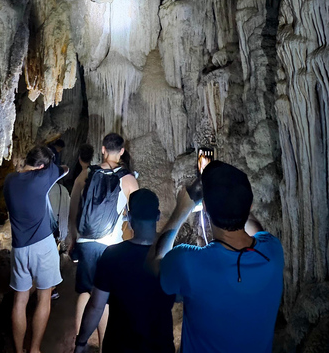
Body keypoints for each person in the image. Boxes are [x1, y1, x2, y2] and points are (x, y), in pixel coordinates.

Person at [147, 160, 284, 353]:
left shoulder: (188, 263)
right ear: (250, 206)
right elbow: (255, 230)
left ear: (205, 208)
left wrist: (182, 207)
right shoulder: (273, 253)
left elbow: (153, 262)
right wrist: (236, 197)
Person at [74, 189, 174, 353]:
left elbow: (96, 306)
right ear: (157, 216)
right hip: (159, 345)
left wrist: (81, 342)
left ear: (129, 216)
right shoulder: (170, 256)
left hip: (119, 345)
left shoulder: (113, 255)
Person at [68, 133, 139, 351]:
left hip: (86, 240)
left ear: (102, 149)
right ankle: (103, 347)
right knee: (105, 296)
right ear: (122, 151)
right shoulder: (127, 179)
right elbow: (136, 214)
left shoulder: (87, 173)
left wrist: (73, 236)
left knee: (84, 291)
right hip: (112, 244)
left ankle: (79, 342)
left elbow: (73, 207)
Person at [3, 146, 69, 353]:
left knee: (20, 300)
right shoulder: (42, 178)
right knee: (44, 297)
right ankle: (34, 348)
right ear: (41, 166)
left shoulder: (9, 181)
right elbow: (64, 169)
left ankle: (18, 348)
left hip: (19, 249)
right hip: (43, 246)